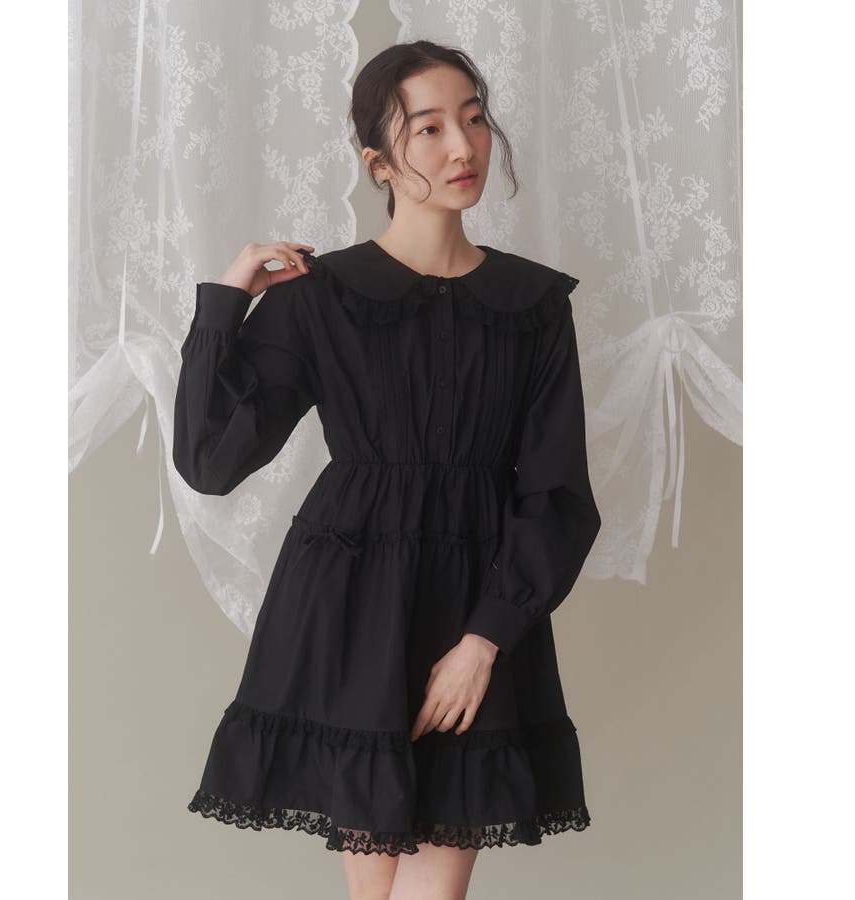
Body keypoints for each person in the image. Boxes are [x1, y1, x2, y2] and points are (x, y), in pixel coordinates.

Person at [173, 40, 601, 900]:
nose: (463, 147)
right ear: (378, 162)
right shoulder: (318, 296)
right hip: (350, 610)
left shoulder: (532, 306)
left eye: (474, 119)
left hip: (480, 605)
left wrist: (485, 641)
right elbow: (211, 460)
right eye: (430, 128)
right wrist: (224, 304)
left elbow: (558, 496)